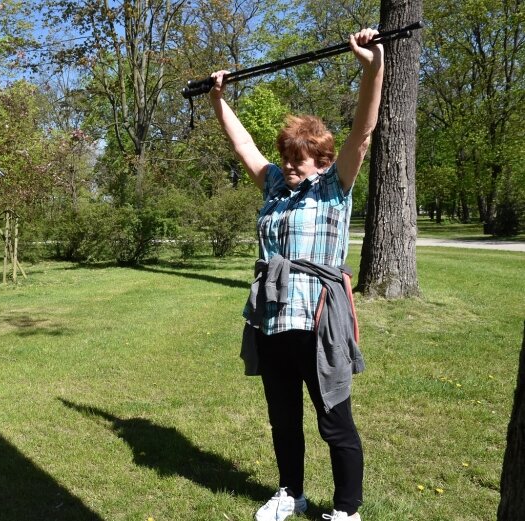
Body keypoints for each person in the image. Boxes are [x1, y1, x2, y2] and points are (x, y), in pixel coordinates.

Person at [208, 28, 383, 521]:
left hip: (319, 318)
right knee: (283, 418)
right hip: (271, 317)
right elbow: (242, 145)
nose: (287, 162)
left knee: (334, 417)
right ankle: (292, 493)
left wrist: (373, 66)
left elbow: (363, 131)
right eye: (284, 154)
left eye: (297, 156)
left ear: (320, 159)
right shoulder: (274, 189)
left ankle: (347, 509)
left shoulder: (334, 187)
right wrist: (220, 100)